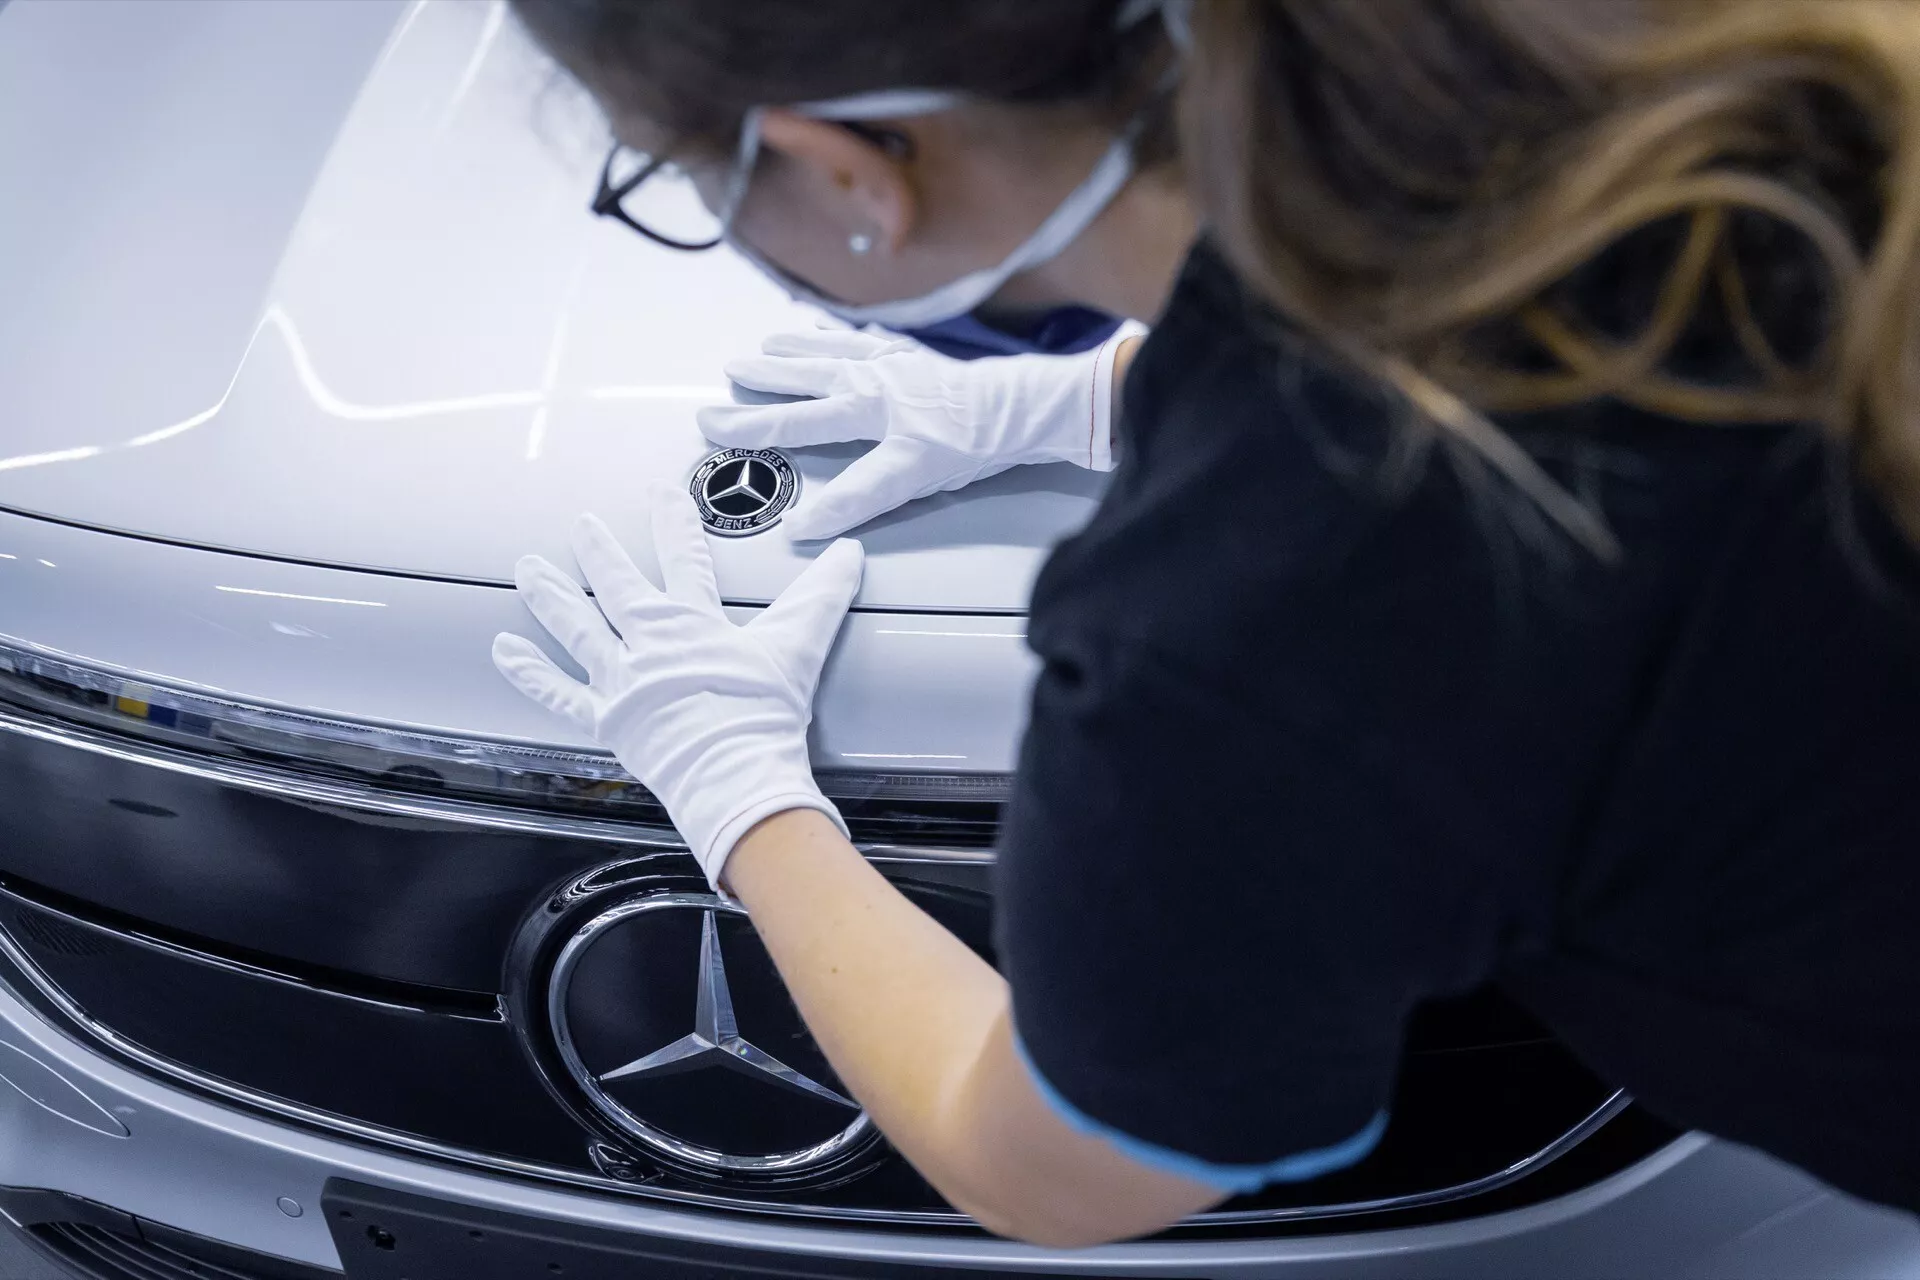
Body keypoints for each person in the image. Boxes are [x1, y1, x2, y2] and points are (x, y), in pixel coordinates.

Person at [491, 0, 1920, 1245]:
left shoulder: (1247, 634)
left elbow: (1052, 1172)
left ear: (843, 166)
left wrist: (741, 796)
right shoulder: (1621, 54)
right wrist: (1108, 392)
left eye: (673, 175)